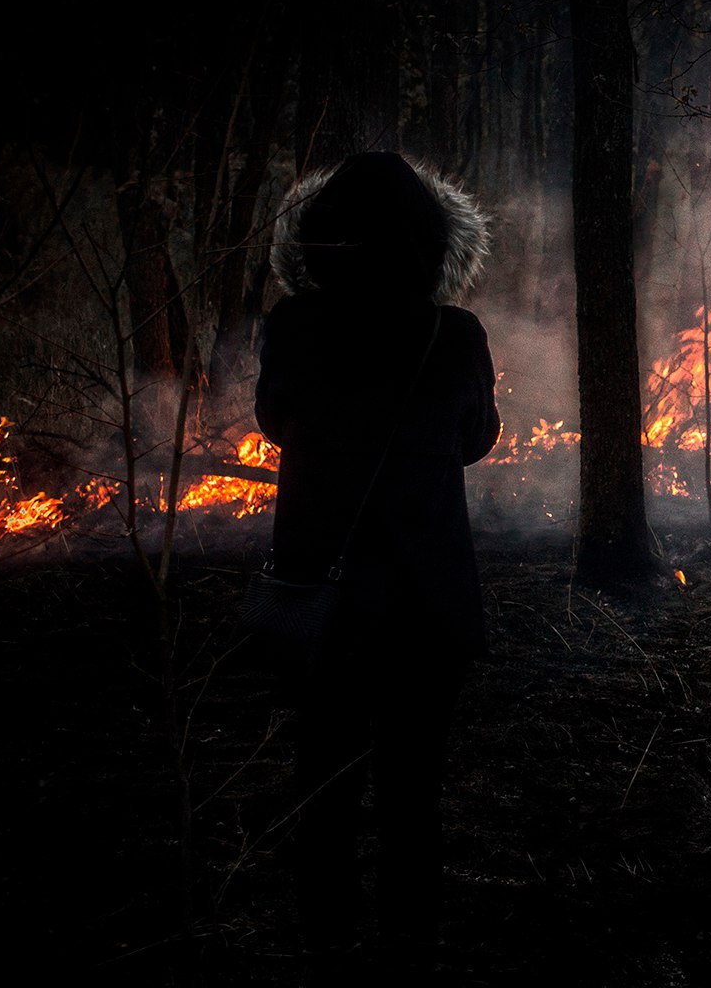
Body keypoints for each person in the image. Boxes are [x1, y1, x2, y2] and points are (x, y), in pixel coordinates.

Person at [253, 151, 498, 954]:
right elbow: (474, 440)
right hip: (427, 601)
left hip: (323, 594)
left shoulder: (292, 326)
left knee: (322, 782)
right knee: (412, 791)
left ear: (321, 241)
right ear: (432, 243)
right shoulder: (453, 333)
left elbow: (276, 423)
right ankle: (408, 945)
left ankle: (325, 942)